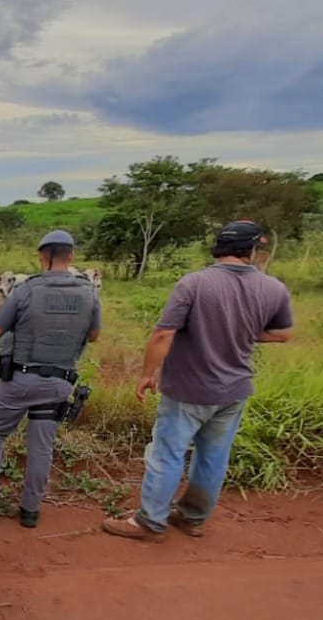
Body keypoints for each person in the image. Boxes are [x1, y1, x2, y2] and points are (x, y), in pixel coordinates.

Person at [103, 220, 294, 542]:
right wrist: (242, 331)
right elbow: (284, 334)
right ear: (251, 250)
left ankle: (150, 521)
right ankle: (193, 518)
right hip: (234, 391)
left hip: (188, 389)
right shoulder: (273, 288)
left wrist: (147, 374)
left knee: (166, 454)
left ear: (219, 247)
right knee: (213, 456)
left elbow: (163, 333)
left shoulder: (193, 283)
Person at [0, 229, 100, 528]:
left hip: (19, 381)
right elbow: (94, 335)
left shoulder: (26, 289)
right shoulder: (89, 291)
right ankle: (30, 511)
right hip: (59, 383)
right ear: (72, 256)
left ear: (41, 257)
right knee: (41, 447)